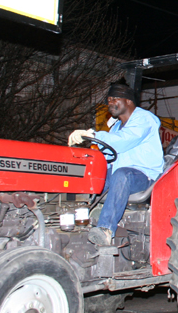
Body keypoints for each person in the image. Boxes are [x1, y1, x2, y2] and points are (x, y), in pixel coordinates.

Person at [69, 82, 164, 246]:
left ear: (128, 101)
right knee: (93, 174)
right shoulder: (116, 127)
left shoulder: (144, 119)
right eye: (109, 99)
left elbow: (123, 141)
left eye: (115, 99)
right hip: (120, 173)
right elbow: (109, 153)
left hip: (144, 176)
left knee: (122, 175)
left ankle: (106, 229)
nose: (110, 103)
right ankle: (78, 218)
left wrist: (93, 134)